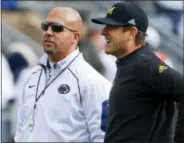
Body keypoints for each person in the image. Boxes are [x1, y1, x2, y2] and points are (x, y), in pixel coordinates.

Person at [14, 7, 111, 142]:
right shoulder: (33, 76)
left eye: (57, 28)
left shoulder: (93, 82)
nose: (48, 32)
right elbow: (21, 129)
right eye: (45, 26)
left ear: (75, 37)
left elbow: (103, 138)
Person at [91, 1, 184, 143]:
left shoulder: (145, 65)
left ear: (132, 33)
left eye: (111, 27)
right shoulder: (129, 63)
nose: (103, 32)